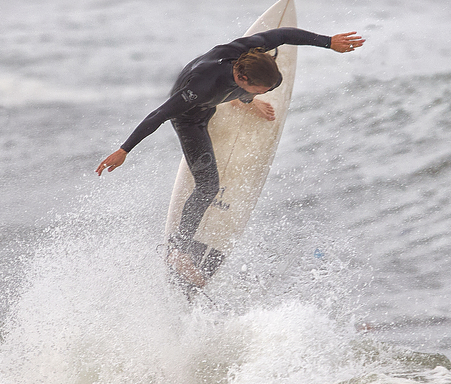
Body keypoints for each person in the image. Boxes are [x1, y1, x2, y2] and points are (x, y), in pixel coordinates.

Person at [96, 26, 365, 285]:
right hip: (192, 117)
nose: (269, 91)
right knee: (208, 186)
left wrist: (328, 42)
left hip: (222, 87)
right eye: (263, 89)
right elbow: (159, 115)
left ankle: (241, 100)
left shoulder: (249, 50)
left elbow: (283, 34)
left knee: (244, 93)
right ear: (243, 79)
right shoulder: (199, 88)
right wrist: (124, 150)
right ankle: (177, 251)